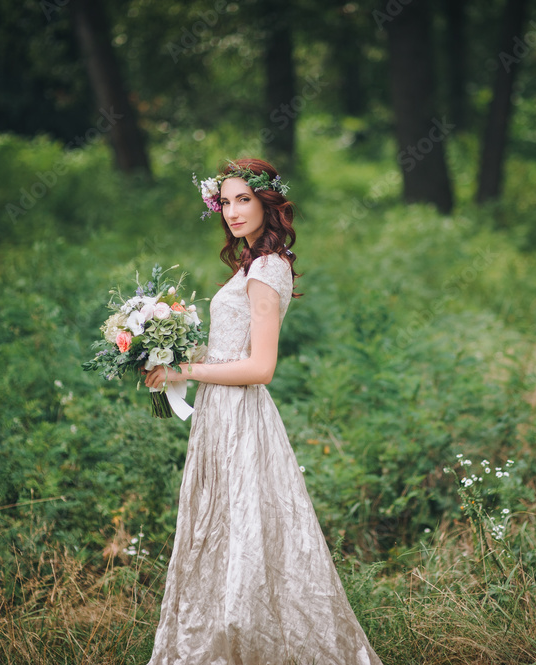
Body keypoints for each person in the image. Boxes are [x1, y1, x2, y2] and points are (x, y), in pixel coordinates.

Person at [143, 158, 382, 665]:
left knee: (248, 527)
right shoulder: (250, 265)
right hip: (219, 413)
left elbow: (261, 366)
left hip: (241, 416)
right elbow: (230, 351)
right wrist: (168, 359)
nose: (231, 211)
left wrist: (186, 370)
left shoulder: (269, 267)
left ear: (267, 203)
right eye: (224, 202)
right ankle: (231, 634)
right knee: (226, 527)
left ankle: (254, 641)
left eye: (242, 200)